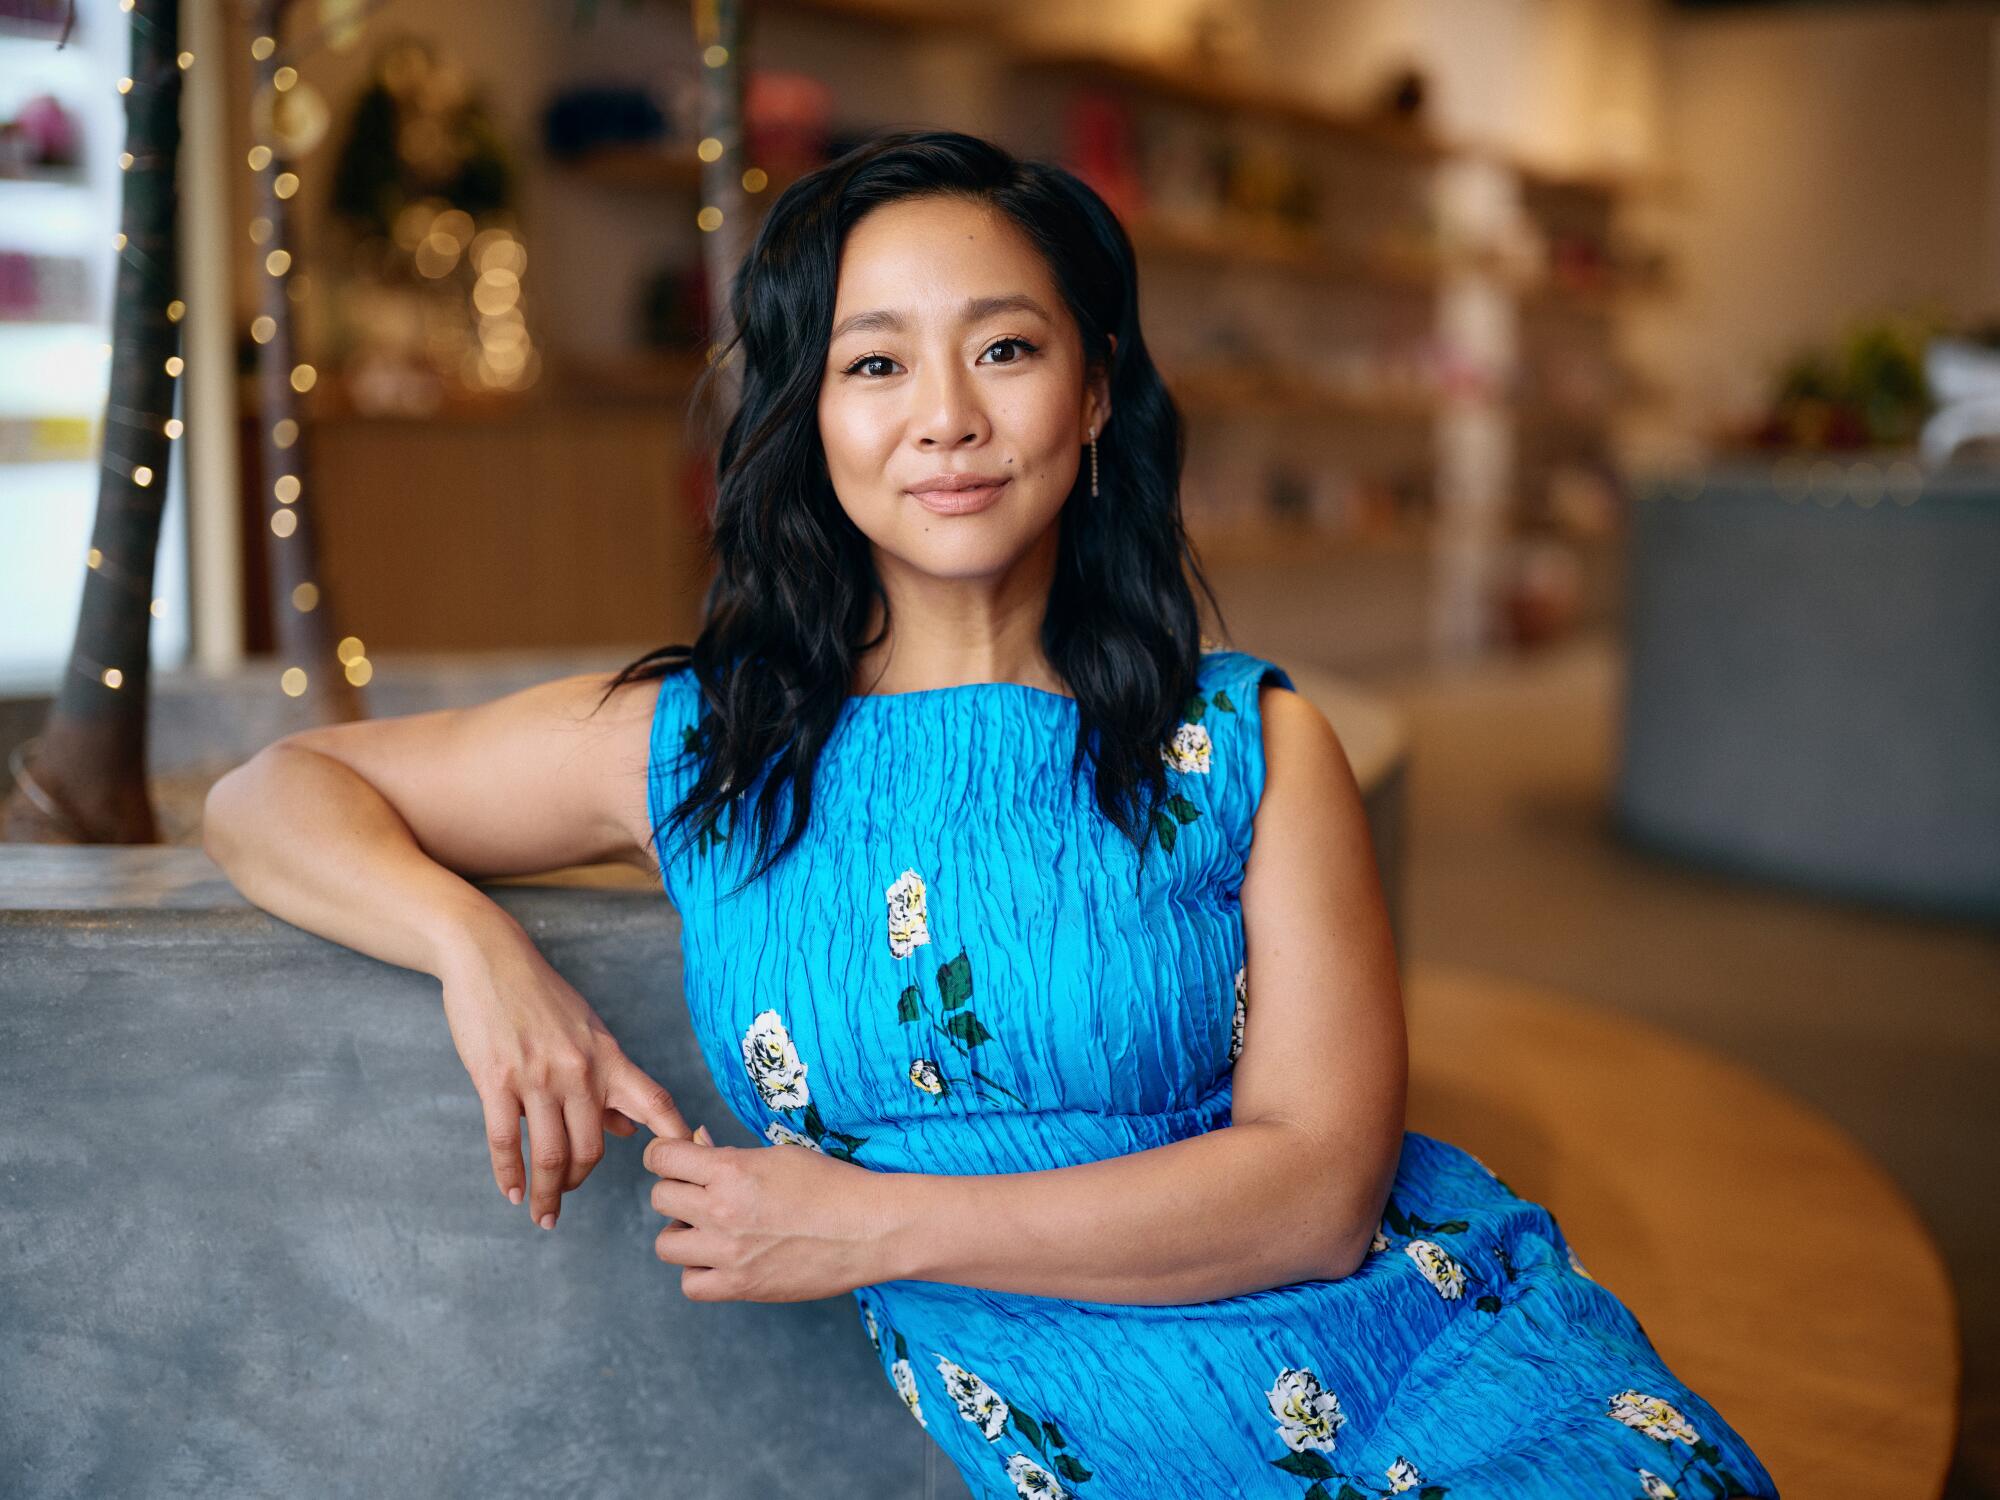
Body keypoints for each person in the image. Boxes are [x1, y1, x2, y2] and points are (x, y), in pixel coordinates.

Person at [205, 129, 1779, 1500]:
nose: (944, 417)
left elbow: (1315, 1199)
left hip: (1454, 1387)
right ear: (812, 424)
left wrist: (868, 1228)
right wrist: (480, 958)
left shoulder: (1243, 741)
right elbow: (274, 790)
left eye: (1005, 350)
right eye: (874, 362)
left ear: (1095, 393)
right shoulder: (703, 743)